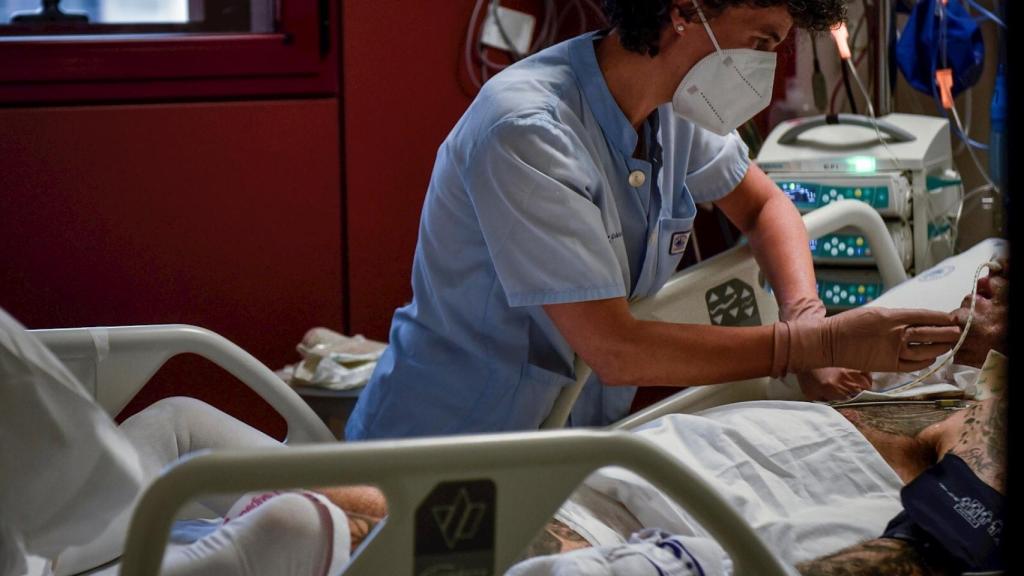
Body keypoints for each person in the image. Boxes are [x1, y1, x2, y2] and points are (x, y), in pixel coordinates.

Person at [345, 0, 960, 440]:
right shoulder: (527, 131)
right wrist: (813, 345)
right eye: (764, 41)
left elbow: (766, 206)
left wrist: (806, 315)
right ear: (684, 13)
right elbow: (614, 346)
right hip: (443, 441)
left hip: (569, 439)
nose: (767, 69)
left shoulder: (674, 110)